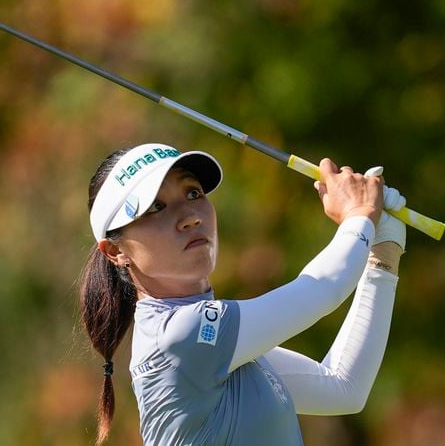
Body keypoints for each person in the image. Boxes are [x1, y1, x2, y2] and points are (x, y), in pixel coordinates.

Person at [79, 143, 407, 445]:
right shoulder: (180, 337)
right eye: (155, 207)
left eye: (193, 193)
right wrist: (359, 216)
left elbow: (342, 389)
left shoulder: (220, 346)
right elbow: (322, 289)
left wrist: (381, 254)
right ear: (115, 251)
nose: (189, 217)